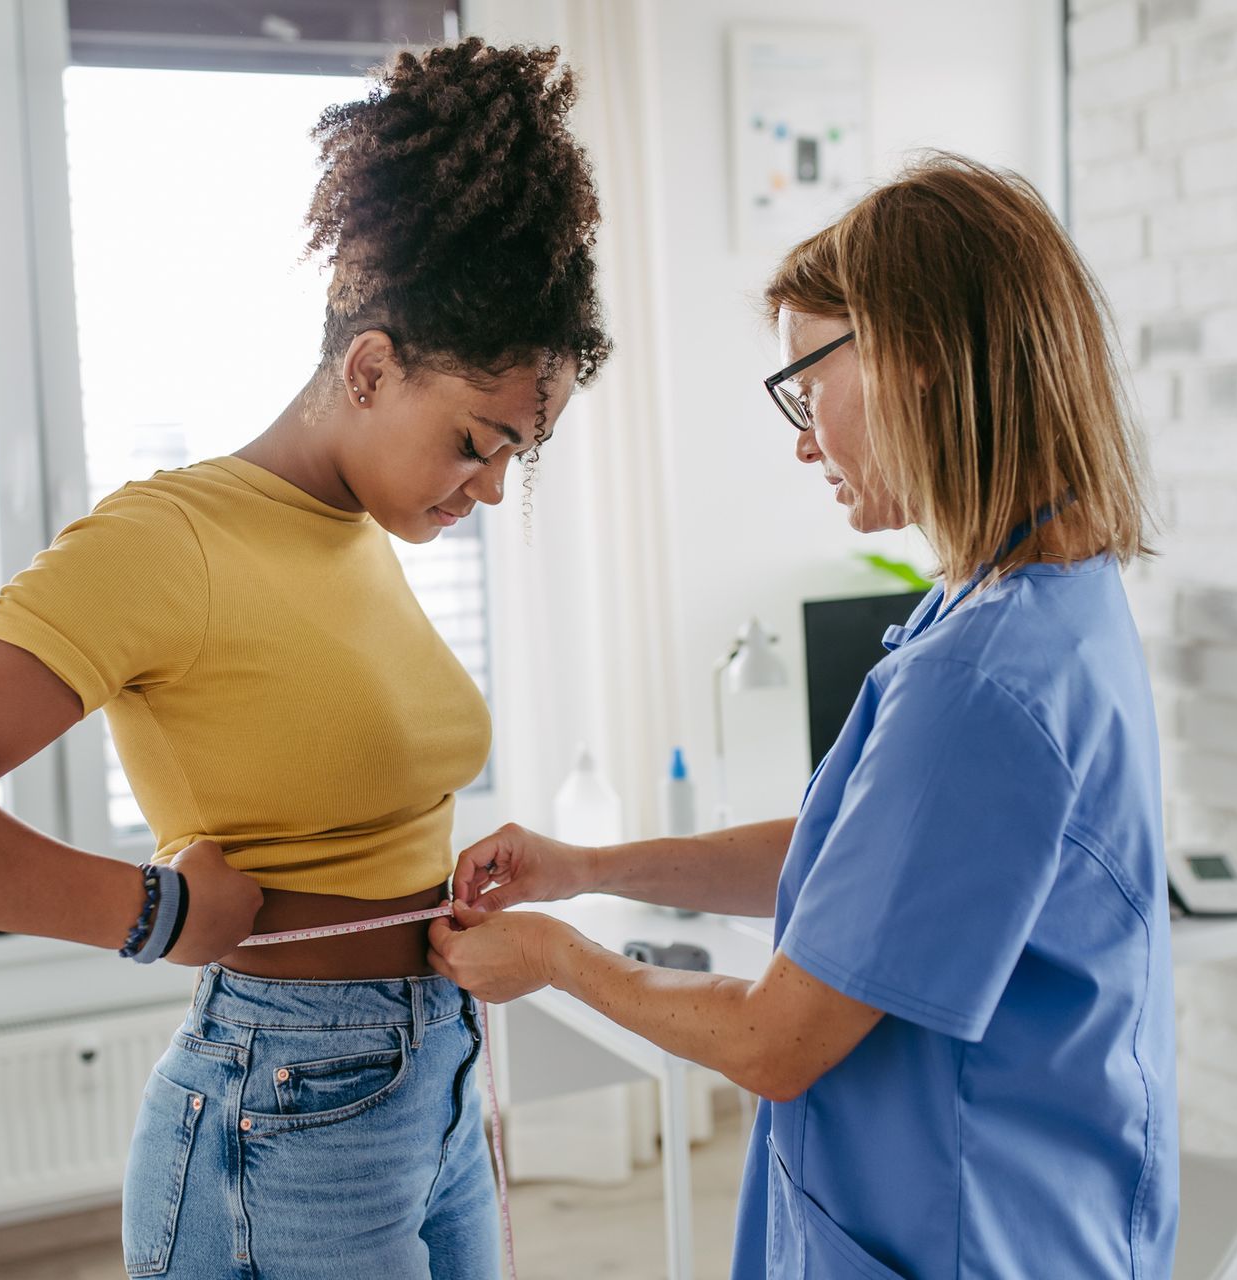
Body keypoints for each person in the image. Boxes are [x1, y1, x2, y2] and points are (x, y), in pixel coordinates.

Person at [0, 37, 610, 1279]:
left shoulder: (355, 530)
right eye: (476, 441)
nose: (494, 489)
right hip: (290, 1098)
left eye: (519, 455)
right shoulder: (165, 539)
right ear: (368, 364)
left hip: (436, 1071)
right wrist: (149, 912)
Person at [429, 151, 1178, 1279]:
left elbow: (771, 1039)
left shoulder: (981, 676)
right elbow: (868, 870)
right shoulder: (1045, 596)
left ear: (918, 357)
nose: (800, 436)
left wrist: (555, 956)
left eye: (806, 385)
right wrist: (586, 863)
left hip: (966, 1237)